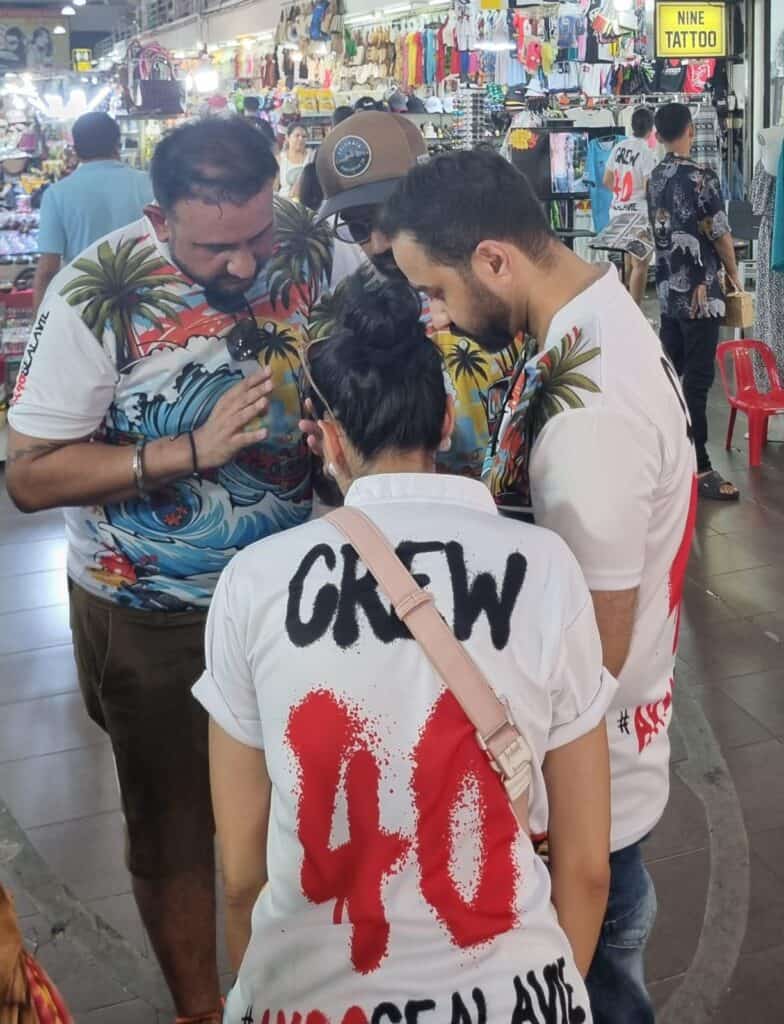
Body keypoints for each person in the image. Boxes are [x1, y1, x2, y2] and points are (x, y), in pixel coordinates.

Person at [195, 274, 614, 1023]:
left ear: (326, 440)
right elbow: (585, 869)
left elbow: (240, 876)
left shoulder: (252, 582)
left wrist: (260, 993)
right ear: (446, 419)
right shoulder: (547, 568)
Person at [5, 117, 336, 1023]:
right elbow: (29, 475)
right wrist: (185, 452)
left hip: (297, 594)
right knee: (174, 829)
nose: (244, 264)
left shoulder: (310, 247)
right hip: (153, 608)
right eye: (215, 249)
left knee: (304, 810)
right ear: (159, 218)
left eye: (256, 236)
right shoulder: (96, 293)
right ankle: (200, 1008)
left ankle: (298, 991)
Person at [381, 148, 697, 1024]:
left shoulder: (590, 413)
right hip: (588, 791)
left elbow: (594, 654)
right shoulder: (584, 324)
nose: (435, 316)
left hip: (581, 807)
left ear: (494, 260)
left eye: (437, 290)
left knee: (594, 995)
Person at [312, 110, 524, 481]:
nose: (377, 243)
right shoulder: (345, 312)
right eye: (357, 227)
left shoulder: (496, 284)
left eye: (388, 217)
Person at [648, 102, 741, 501]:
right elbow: (720, 233)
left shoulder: (655, 178)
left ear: (659, 135)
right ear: (689, 130)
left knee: (670, 379)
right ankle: (699, 465)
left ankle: (665, 458)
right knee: (698, 382)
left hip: (669, 294)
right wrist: (734, 273)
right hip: (701, 297)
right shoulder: (702, 178)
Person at [33, 111, 153, 312]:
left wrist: (38, 321)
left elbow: (48, 270)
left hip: (85, 308)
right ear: (117, 144)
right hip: (145, 303)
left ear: (76, 150)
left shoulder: (56, 194)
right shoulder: (151, 184)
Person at [602, 106, 657, 306]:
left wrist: (622, 196)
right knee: (640, 263)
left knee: (627, 263)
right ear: (651, 128)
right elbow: (649, 189)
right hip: (637, 215)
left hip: (617, 212)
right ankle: (635, 313)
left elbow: (606, 180)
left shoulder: (619, 148)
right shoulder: (646, 153)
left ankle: (622, 308)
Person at [277, 123, 311, 198]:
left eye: (304, 136)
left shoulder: (312, 157)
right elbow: (274, 187)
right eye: (297, 136)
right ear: (287, 137)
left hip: (306, 202)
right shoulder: (280, 158)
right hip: (284, 202)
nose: (301, 139)